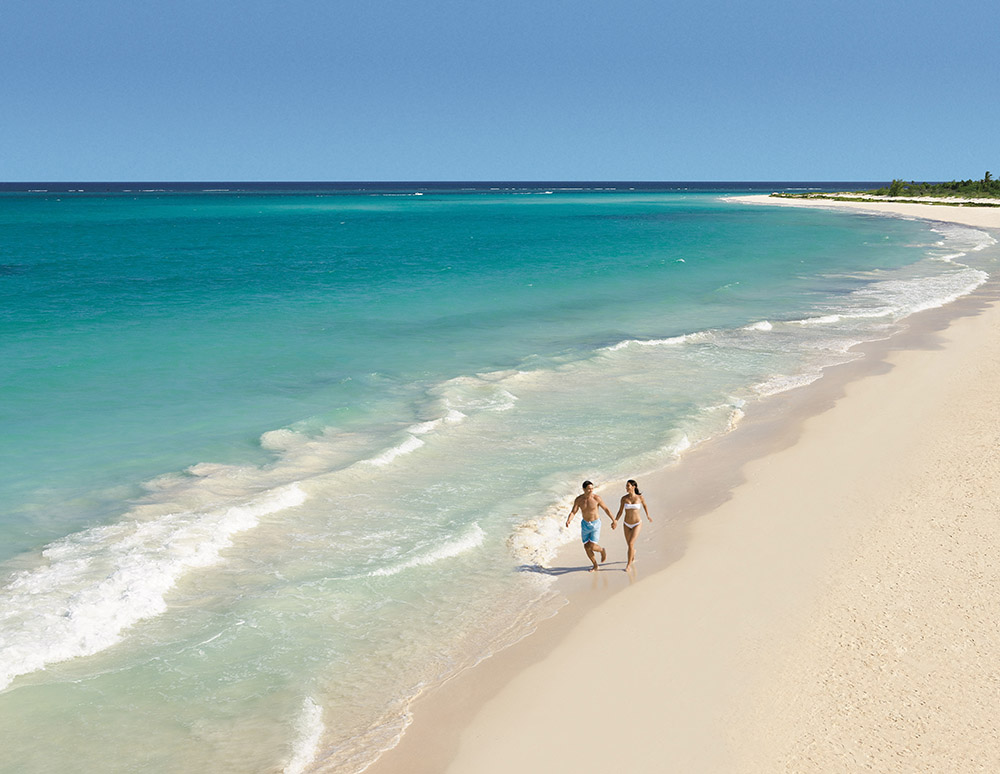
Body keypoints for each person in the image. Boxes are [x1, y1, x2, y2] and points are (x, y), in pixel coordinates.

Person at [565, 480, 612, 571]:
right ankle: (595, 565)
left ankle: (602, 550)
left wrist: (613, 520)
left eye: (592, 488)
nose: (591, 490)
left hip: (595, 524)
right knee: (586, 546)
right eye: (589, 489)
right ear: (583, 489)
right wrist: (569, 520)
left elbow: (606, 509)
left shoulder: (596, 498)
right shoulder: (579, 500)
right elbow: (573, 512)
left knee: (592, 546)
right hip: (585, 524)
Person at [613, 479, 651, 571]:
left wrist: (647, 515)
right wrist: (615, 520)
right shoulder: (624, 498)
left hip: (637, 523)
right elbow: (620, 511)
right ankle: (632, 553)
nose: (626, 487)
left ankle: (628, 565)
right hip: (626, 524)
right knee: (629, 545)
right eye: (626, 486)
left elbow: (645, 505)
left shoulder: (640, 498)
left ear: (633, 487)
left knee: (630, 543)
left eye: (628, 486)